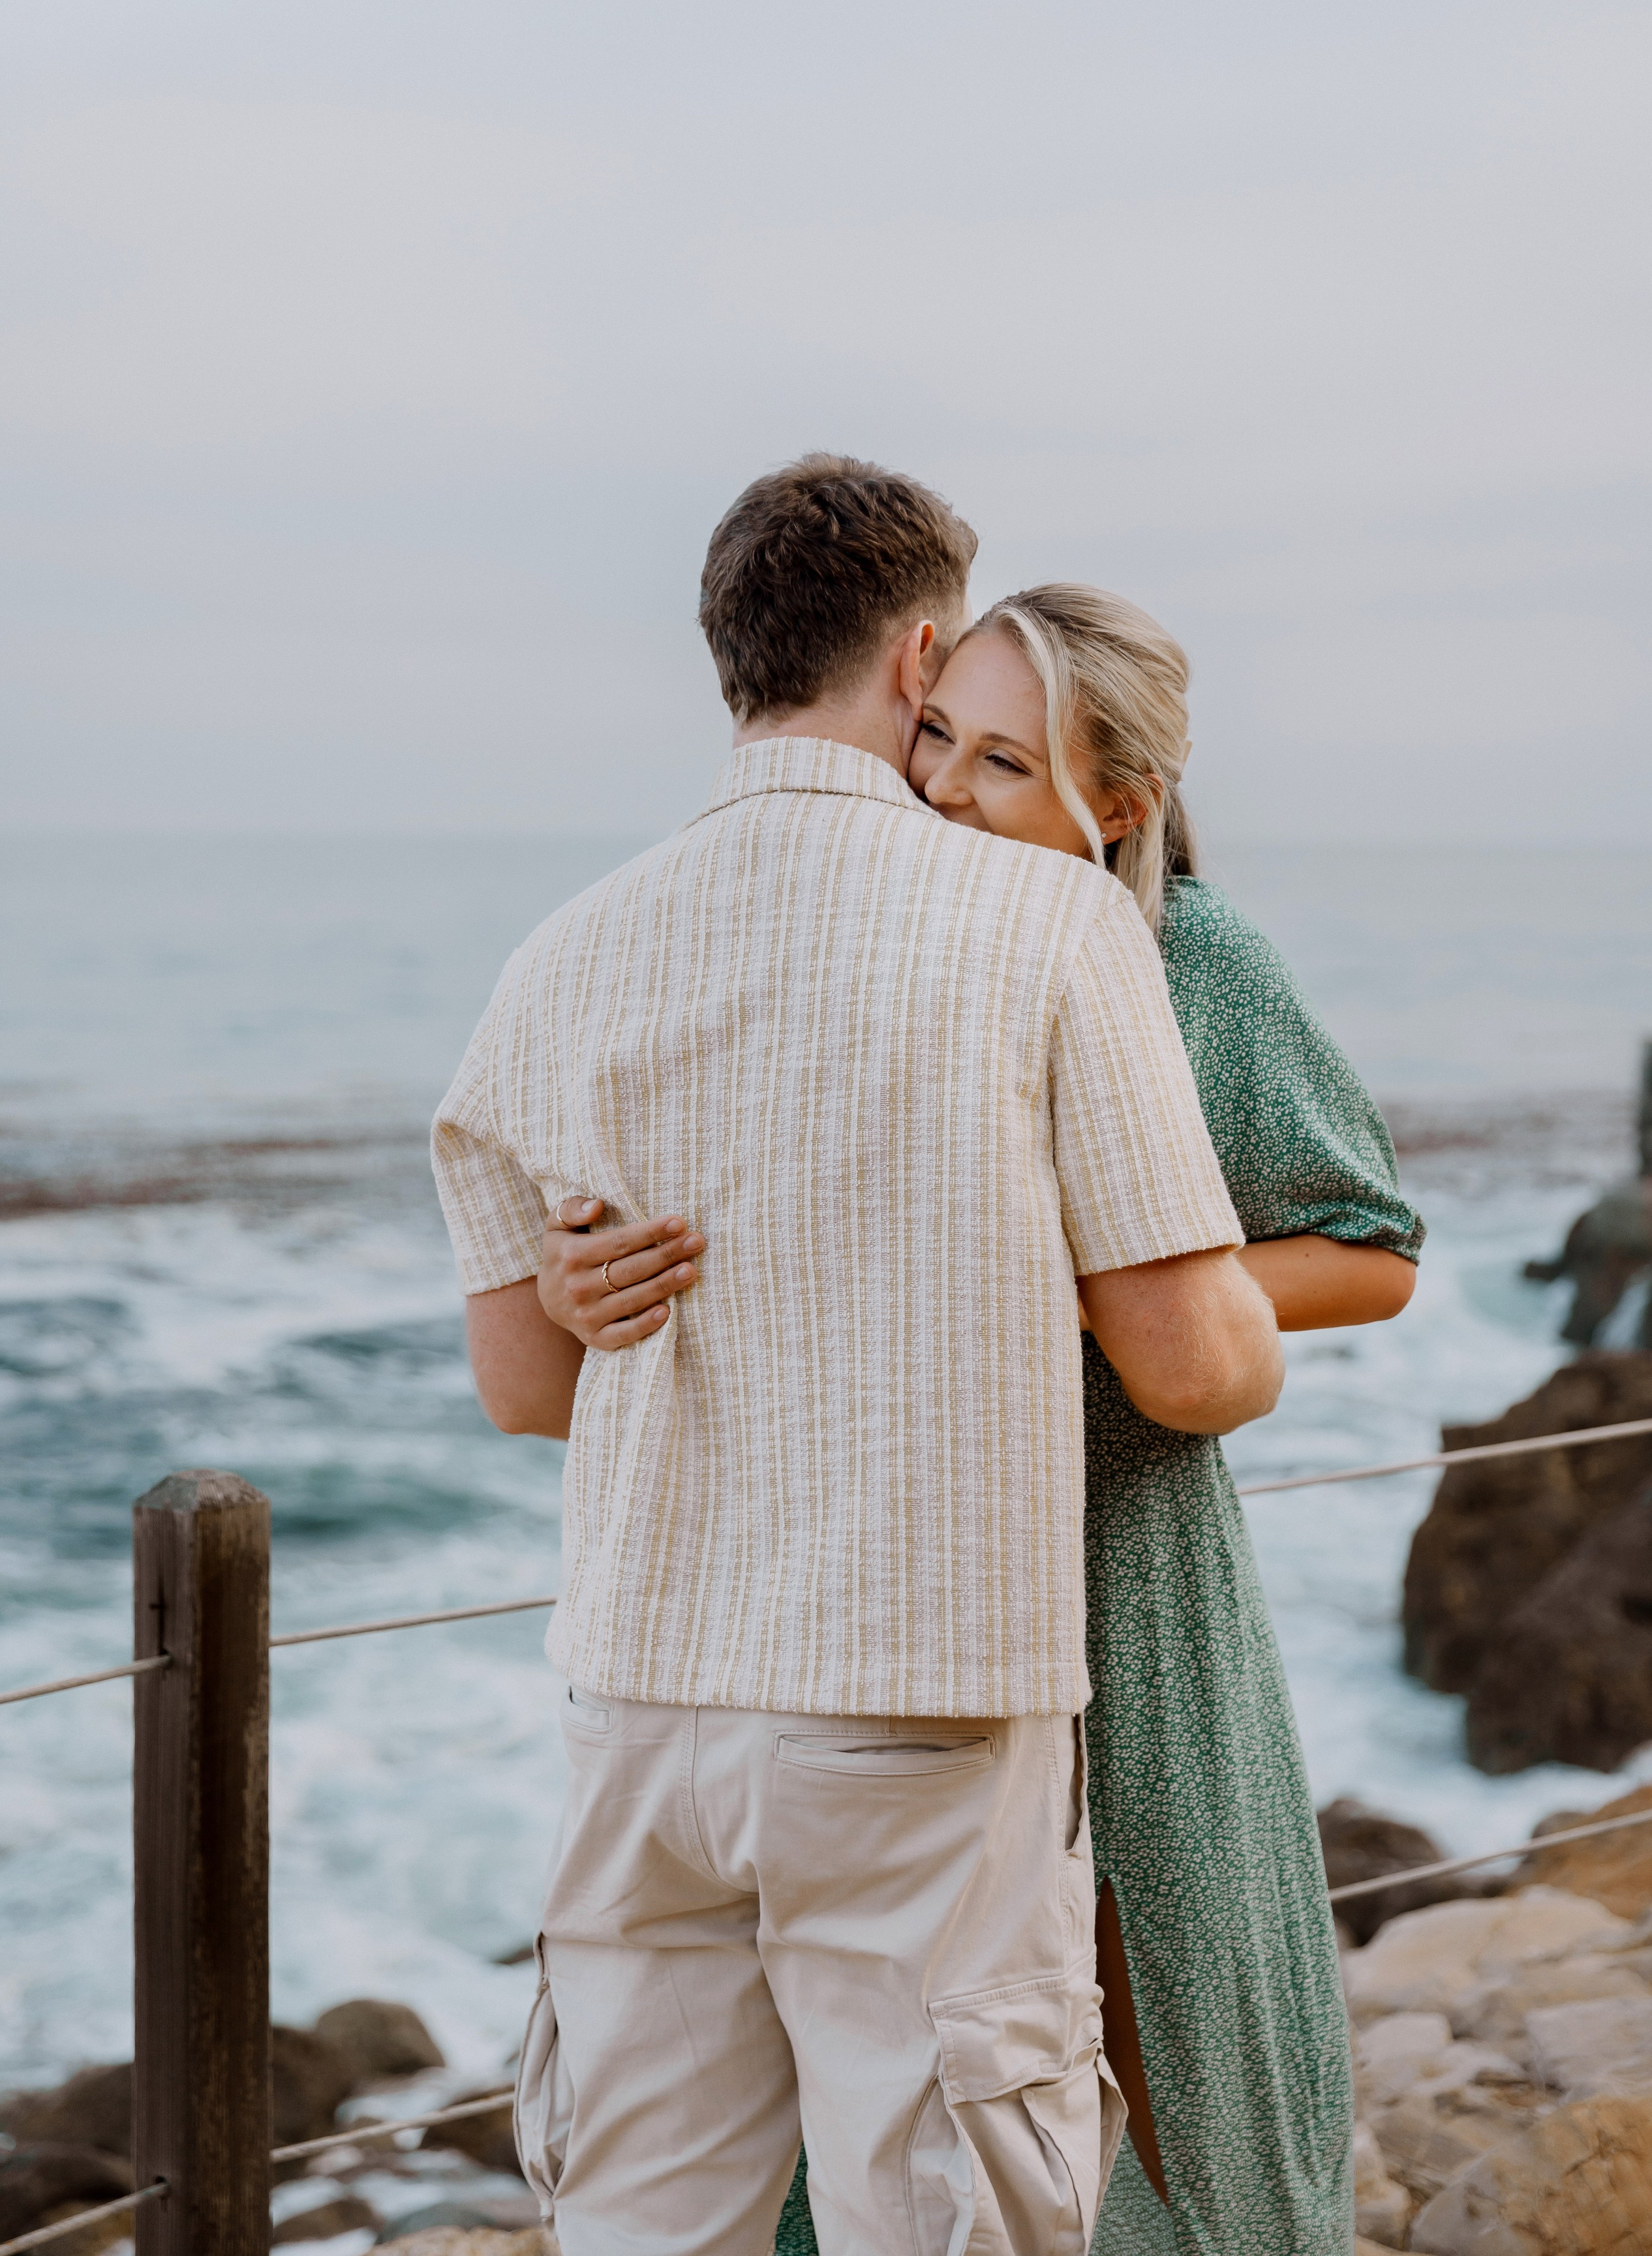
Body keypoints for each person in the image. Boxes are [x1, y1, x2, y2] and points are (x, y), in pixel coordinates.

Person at [431, 459, 1285, 2256]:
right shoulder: (1052, 925)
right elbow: (1200, 1372)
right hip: (923, 1704)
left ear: (730, 656)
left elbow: (524, 1391)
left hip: (642, 1708)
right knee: (944, 2221)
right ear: (915, 658)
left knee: (642, 2224)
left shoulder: (554, 961)